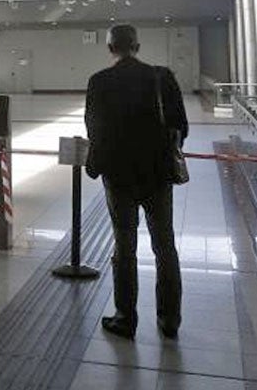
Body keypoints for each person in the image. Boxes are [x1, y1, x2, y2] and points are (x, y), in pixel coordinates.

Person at [84, 24, 187, 340]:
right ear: (138, 45)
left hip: (119, 177)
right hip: (157, 175)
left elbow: (95, 130)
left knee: (124, 246)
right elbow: (180, 126)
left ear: (110, 48)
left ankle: (126, 318)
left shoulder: (100, 82)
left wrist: (94, 165)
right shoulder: (162, 77)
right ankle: (169, 320)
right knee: (164, 246)